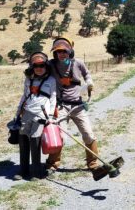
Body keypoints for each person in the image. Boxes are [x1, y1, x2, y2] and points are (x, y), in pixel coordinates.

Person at [46, 37, 100, 176]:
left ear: (70, 51)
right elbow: (36, 68)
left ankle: (93, 163)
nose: (62, 54)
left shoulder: (78, 63)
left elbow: (87, 75)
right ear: (55, 53)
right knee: (60, 137)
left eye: (64, 51)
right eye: (59, 52)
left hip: (78, 106)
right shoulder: (51, 65)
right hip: (61, 106)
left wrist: (89, 83)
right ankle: (52, 163)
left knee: (88, 134)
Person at [14, 52, 56, 180]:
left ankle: (36, 172)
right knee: (23, 140)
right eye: (36, 65)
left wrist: (50, 116)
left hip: (41, 115)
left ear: (46, 66)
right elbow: (24, 95)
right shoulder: (28, 79)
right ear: (32, 66)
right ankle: (23, 170)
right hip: (27, 113)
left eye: (42, 65)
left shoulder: (51, 80)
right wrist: (17, 112)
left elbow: (53, 99)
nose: (39, 68)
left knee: (35, 141)